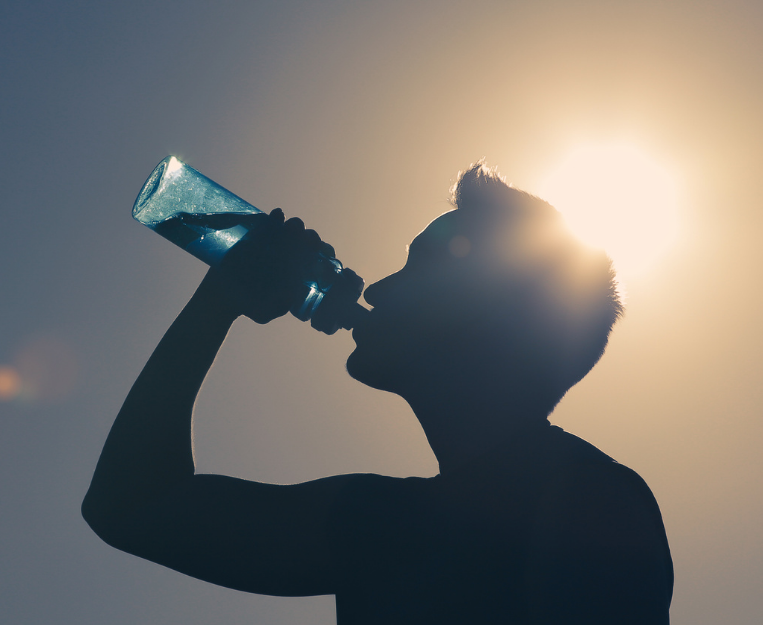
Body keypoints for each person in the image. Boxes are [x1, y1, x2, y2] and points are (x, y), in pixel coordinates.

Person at [82, 163, 673, 624]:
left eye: (419, 268)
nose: (380, 288)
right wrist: (218, 301)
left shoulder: (590, 505)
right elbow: (129, 509)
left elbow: (132, 507)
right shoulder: (384, 522)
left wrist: (217, 305)